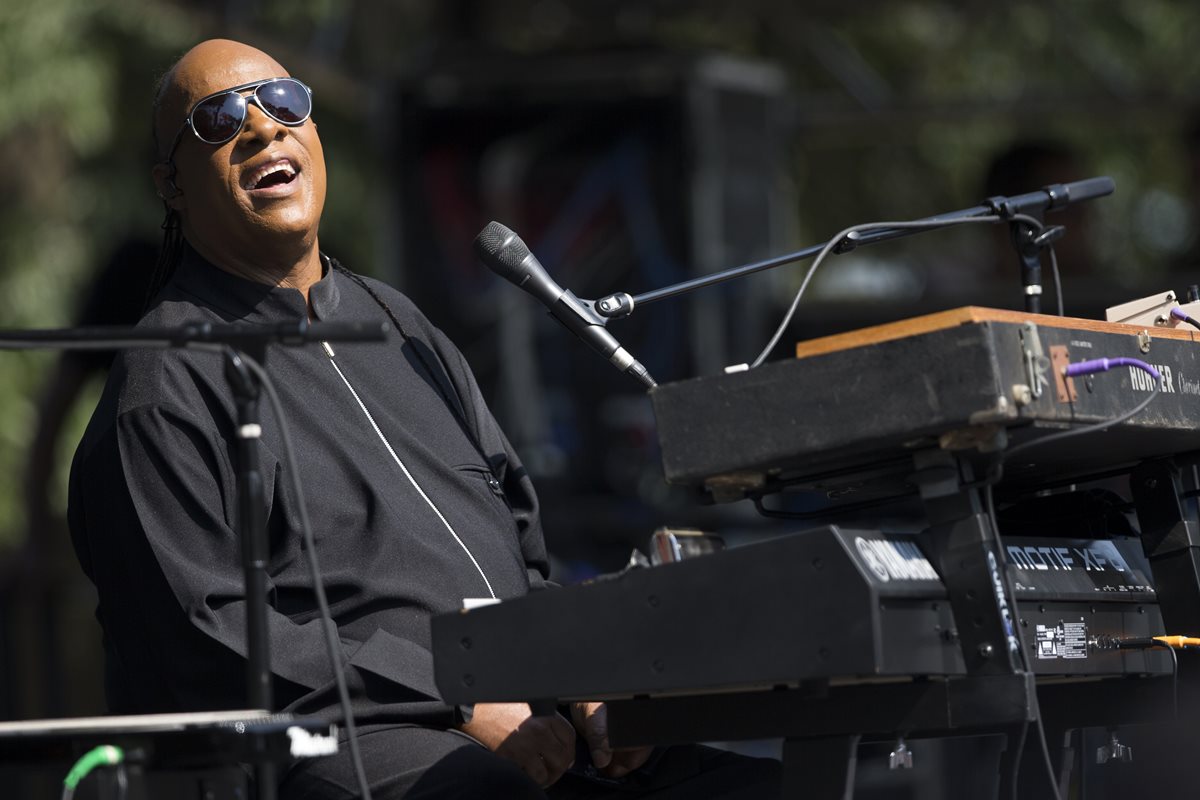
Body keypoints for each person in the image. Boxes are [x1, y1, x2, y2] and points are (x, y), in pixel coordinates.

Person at [67, 39, 777, 799]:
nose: (263, 128)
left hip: (529, 711)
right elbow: (208, 639)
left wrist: (584, 681)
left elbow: (525, 562)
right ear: (170, 187)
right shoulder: (167, 382)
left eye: (283, 103)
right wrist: (455, 698)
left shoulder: (400, 327)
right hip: (344, 736)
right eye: (219, 119)